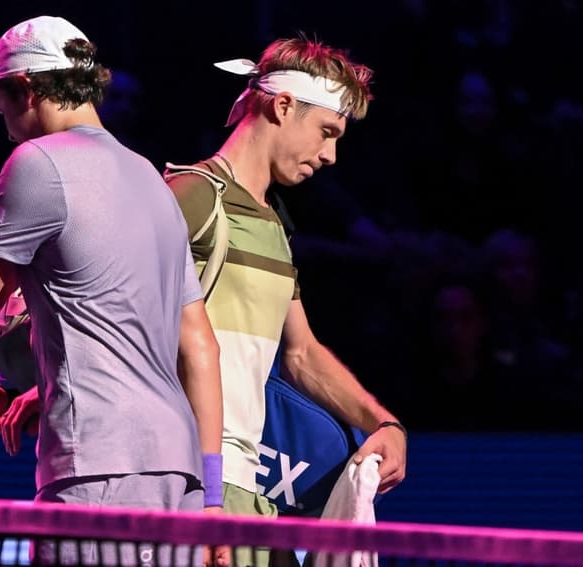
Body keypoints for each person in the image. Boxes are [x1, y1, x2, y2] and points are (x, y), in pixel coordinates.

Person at [0, 16, 225, 566]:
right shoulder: (151, 178)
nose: (5, 129)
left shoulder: (35, 164)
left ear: (23, 89)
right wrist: (212, 500)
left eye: (2, 109)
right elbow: (200, 348)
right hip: (180, 473)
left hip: (96, 467)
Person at [163, 34, 408, 566]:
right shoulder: (191, 195)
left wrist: (383, 424)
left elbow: (300, 353)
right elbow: (104, 300)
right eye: (326, 132)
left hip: (249, 487)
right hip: (186, 481)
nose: (330, 155)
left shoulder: (273, 227)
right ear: (281, 105)